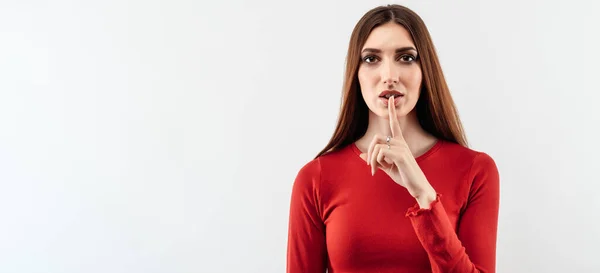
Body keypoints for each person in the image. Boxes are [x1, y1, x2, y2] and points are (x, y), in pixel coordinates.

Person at [286, 4, 500, 273]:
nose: (389, 76)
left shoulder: (475, 171)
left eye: (406, 58)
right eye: (371, 59)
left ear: (426, 71)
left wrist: (424, 195)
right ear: (356, 74)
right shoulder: (315, 179)